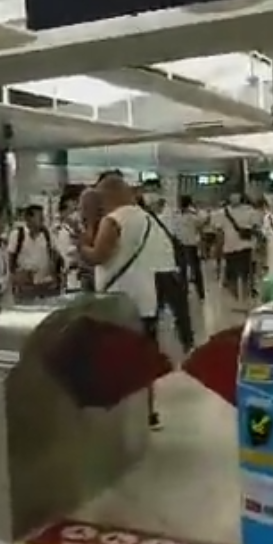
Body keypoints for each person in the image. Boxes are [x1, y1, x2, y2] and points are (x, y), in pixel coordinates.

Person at [79, 171, 161, 430]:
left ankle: (122, 416)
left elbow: (98, 256)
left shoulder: (113, 220)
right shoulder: (144, 217)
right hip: (146, 297)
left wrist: (80, 245)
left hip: (118, 300)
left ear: (108, 194)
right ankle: (147, 413)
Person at [139, 188, 194, 354]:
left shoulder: (168, 217)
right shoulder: (147, 219)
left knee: (174, 309)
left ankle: (185, 341)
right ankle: (180, 343)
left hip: (165, 270)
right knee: (159, 310)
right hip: (157, 271)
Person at [7, 204, 61, 299]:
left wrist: (55, 276)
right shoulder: (17, 235)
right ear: (28, 218)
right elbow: (10, 258)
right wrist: (15, 276)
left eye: (42, 217)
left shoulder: (47, 235)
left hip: (45, 283)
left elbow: (54, 254)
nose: (42, 220)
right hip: (26, 285)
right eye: (39, 217)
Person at [216, 192, 260, 308]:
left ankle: (238, 297)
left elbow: (219, 232)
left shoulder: (222, 212)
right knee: (245, 272)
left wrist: (218, 248)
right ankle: (245, 296)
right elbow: (256, 227)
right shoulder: (251, 211)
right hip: (246, 245)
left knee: (233, 274)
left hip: (230, 246)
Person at [172, 196, 205, 299]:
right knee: (182, 269)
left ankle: (200, 292)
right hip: (179, 244)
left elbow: (201, 223)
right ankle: (183, 291)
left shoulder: (193, 214)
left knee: (195, 269)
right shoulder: (176, 214)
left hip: (191, 244)